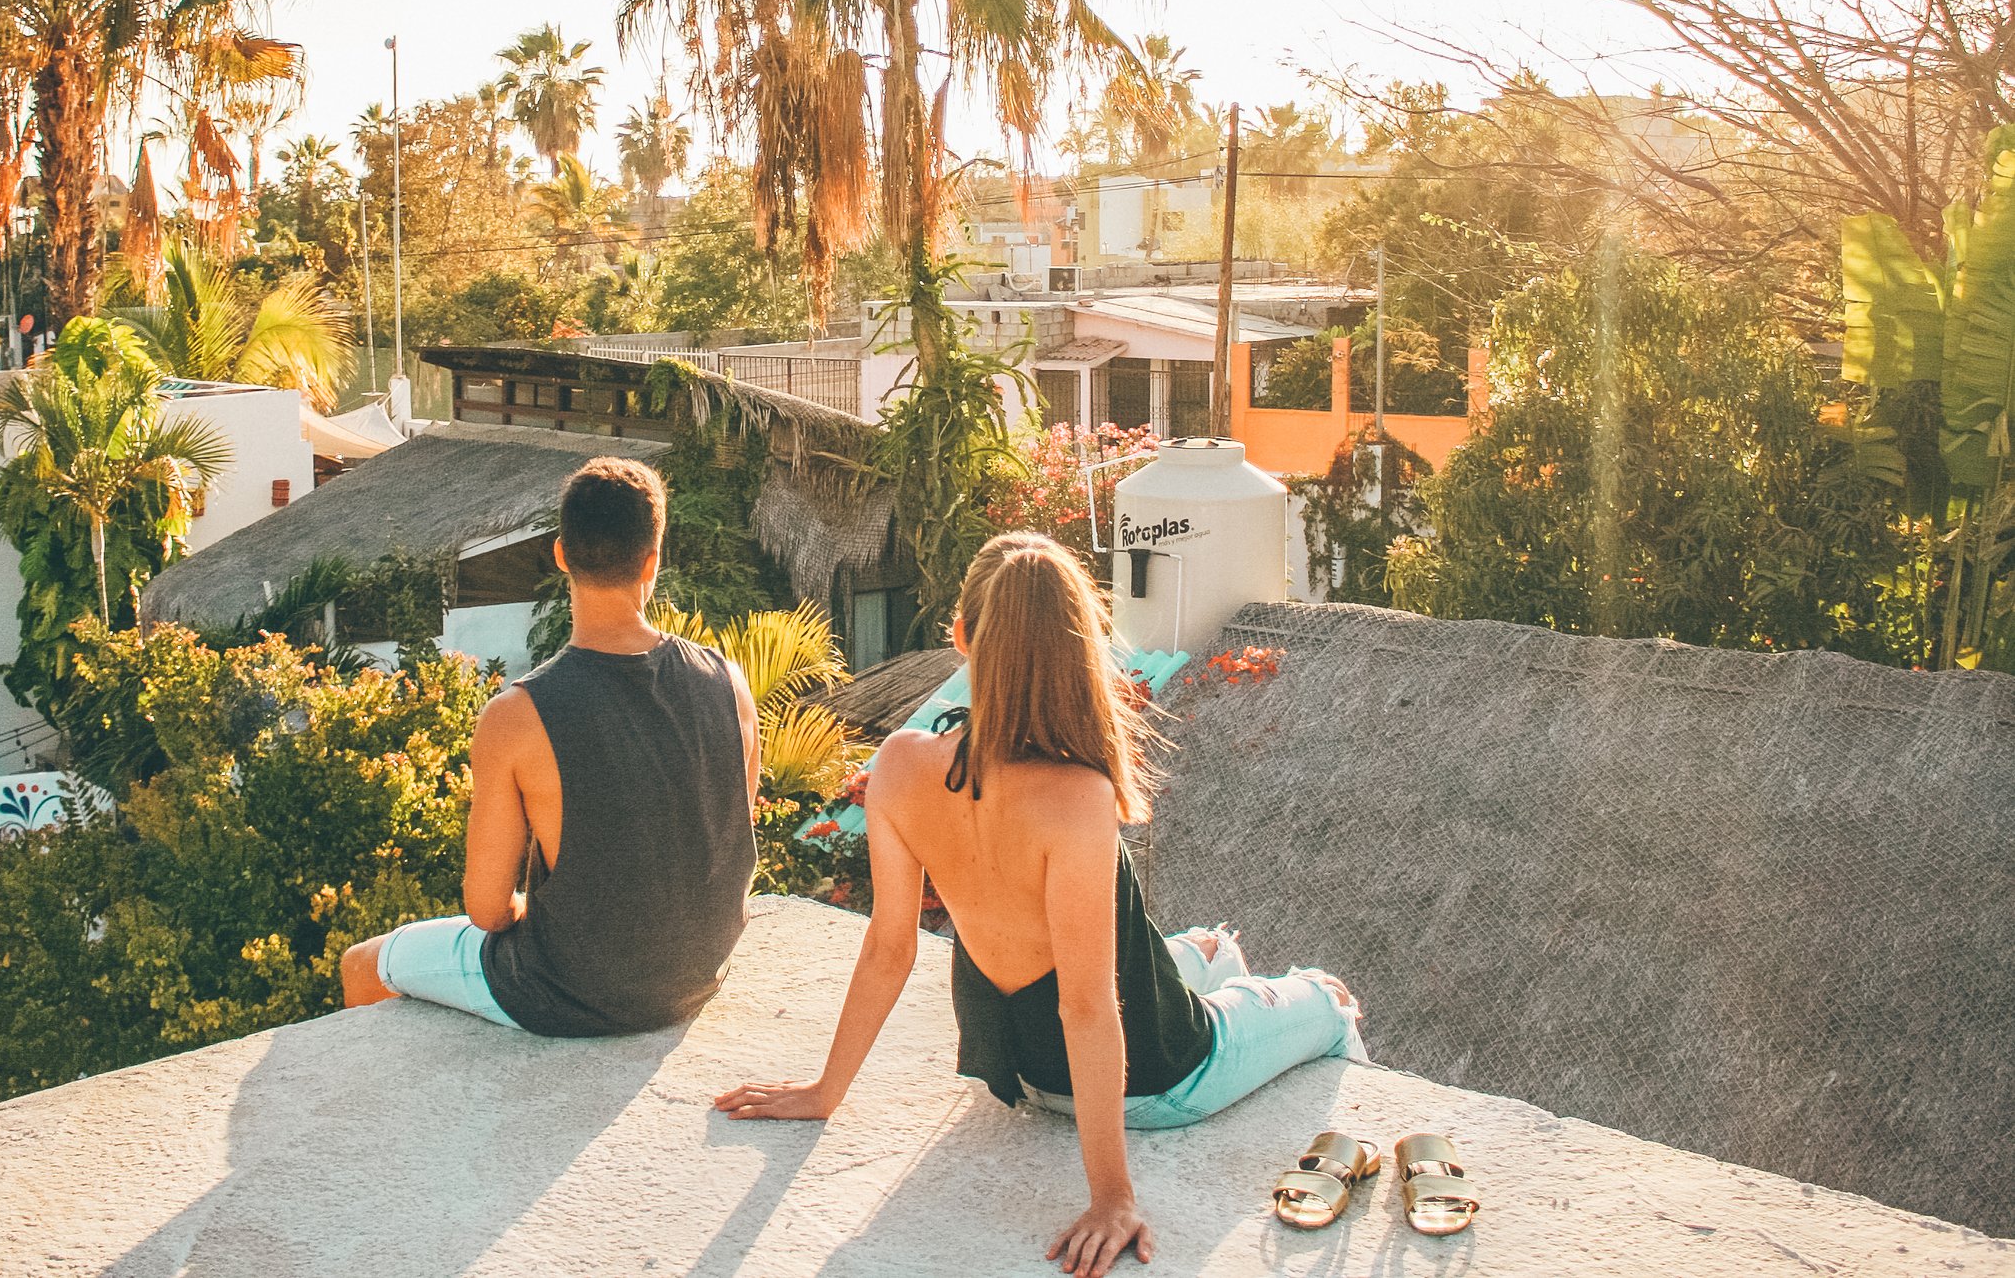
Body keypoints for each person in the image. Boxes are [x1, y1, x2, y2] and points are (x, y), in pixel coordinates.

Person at [715, 532, 1364, 1278]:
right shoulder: (1077, 797)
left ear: (960, 638)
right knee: (1326, 997)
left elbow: (890, 947)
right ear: (1082, 649)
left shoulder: (899, 764)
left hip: (1016, 1072)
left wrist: (826, 1090)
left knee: (1204, 947)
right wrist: (1112, 1195)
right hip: (1157, 1082)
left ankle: (1214, 957)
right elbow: (1088, 1006)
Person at [339, 455, 759, 1036]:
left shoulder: (516, 715)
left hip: (577, 988)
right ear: (652, 560)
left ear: (561, 553)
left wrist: (534, 913)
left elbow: (487, 911)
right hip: (699, 974)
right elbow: (721, 838)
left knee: (361, 963)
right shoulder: (727, 680)